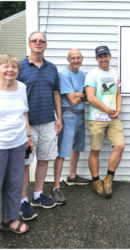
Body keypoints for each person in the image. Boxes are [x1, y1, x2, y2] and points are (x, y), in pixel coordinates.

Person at [17, 31, 62, 221]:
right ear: (29, 44)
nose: (38, 43)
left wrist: (59, 117)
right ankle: (22, 200)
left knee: (44, 159)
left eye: (42, 41)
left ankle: (37, 195)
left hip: (48, 122)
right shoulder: (19, 67)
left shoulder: (52, 68)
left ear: (46, 45)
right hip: (26, 125)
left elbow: (56, 94)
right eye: (35, 40)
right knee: (25, 164)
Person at [84, 45, 125, 198]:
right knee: (96, 150)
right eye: (100, 57)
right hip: (97, 118)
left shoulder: (115, 74)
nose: (103, 59)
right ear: (97, 58)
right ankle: (96, 181)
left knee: (119, 146)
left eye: (106, 56)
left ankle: (108, 179)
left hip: (113, 119)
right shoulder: (92, 75)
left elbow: (118, 94)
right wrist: (108, 110)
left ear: (109, 56)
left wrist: (118, 108)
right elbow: (90, 97)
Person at [0, 55, 34, 234]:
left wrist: (28, 136)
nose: (10, 70)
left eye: (14, 67)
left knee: (14, 184)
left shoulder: (22, 87)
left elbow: (24, 113)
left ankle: (9, 219)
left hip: (18, 143)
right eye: (6, 67)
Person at [50, 48, 89, 205]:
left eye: (78, 57)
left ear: (82, 59)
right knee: (62, 151)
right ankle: (56, 187)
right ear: (68, 59)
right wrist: (81, 95)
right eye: (73, 58)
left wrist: (78, 94)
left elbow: (86, 96)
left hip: (80, 115)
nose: (76, 60)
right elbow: (72, 100)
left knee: (77, 147)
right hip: (68, 114)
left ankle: (72, 176)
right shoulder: (63, 74)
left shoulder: (82, 74)